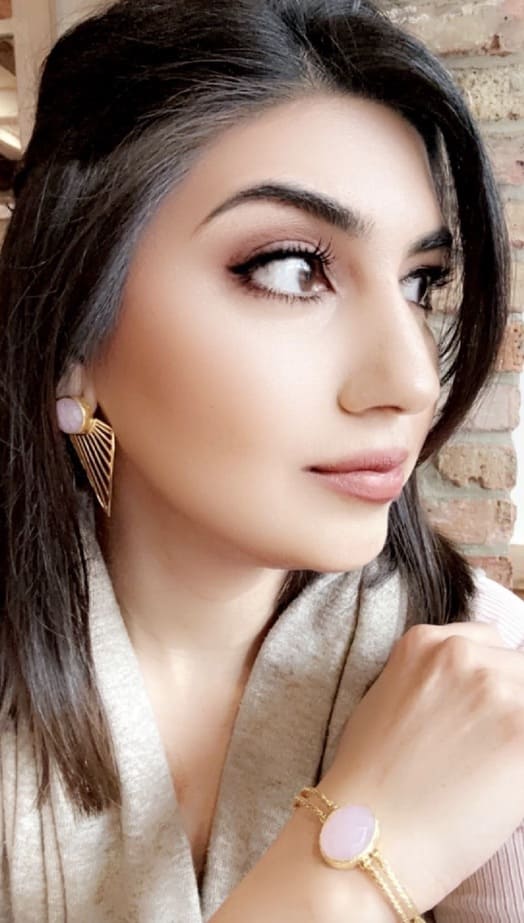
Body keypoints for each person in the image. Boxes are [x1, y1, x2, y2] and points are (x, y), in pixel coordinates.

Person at [0, 0, 523, 920]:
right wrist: (356, 858)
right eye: (291, 268)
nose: (409, 378)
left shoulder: (488, 682)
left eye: (421, 283)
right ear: (74, 329)